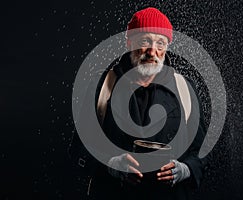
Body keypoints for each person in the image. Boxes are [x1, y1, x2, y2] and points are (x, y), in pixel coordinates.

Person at [69, 7, 209, 200]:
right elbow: (79, 149)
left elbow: (200, 152)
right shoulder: (101, 86)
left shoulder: (185, 89)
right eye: (145, 41)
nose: (153, 51)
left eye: (160, 43)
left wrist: (186, 169)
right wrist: (112, 165)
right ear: (129, 43)